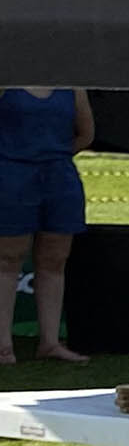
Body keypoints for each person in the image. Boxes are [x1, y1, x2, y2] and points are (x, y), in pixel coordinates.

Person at [0, 85, 94, 365]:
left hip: (59, 177)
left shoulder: (72, 85)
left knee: (54, 260)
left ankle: (50, 342)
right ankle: (3, 345)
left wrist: (51, 156)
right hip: (11, 175)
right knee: (7, 260)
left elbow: (86, 133)